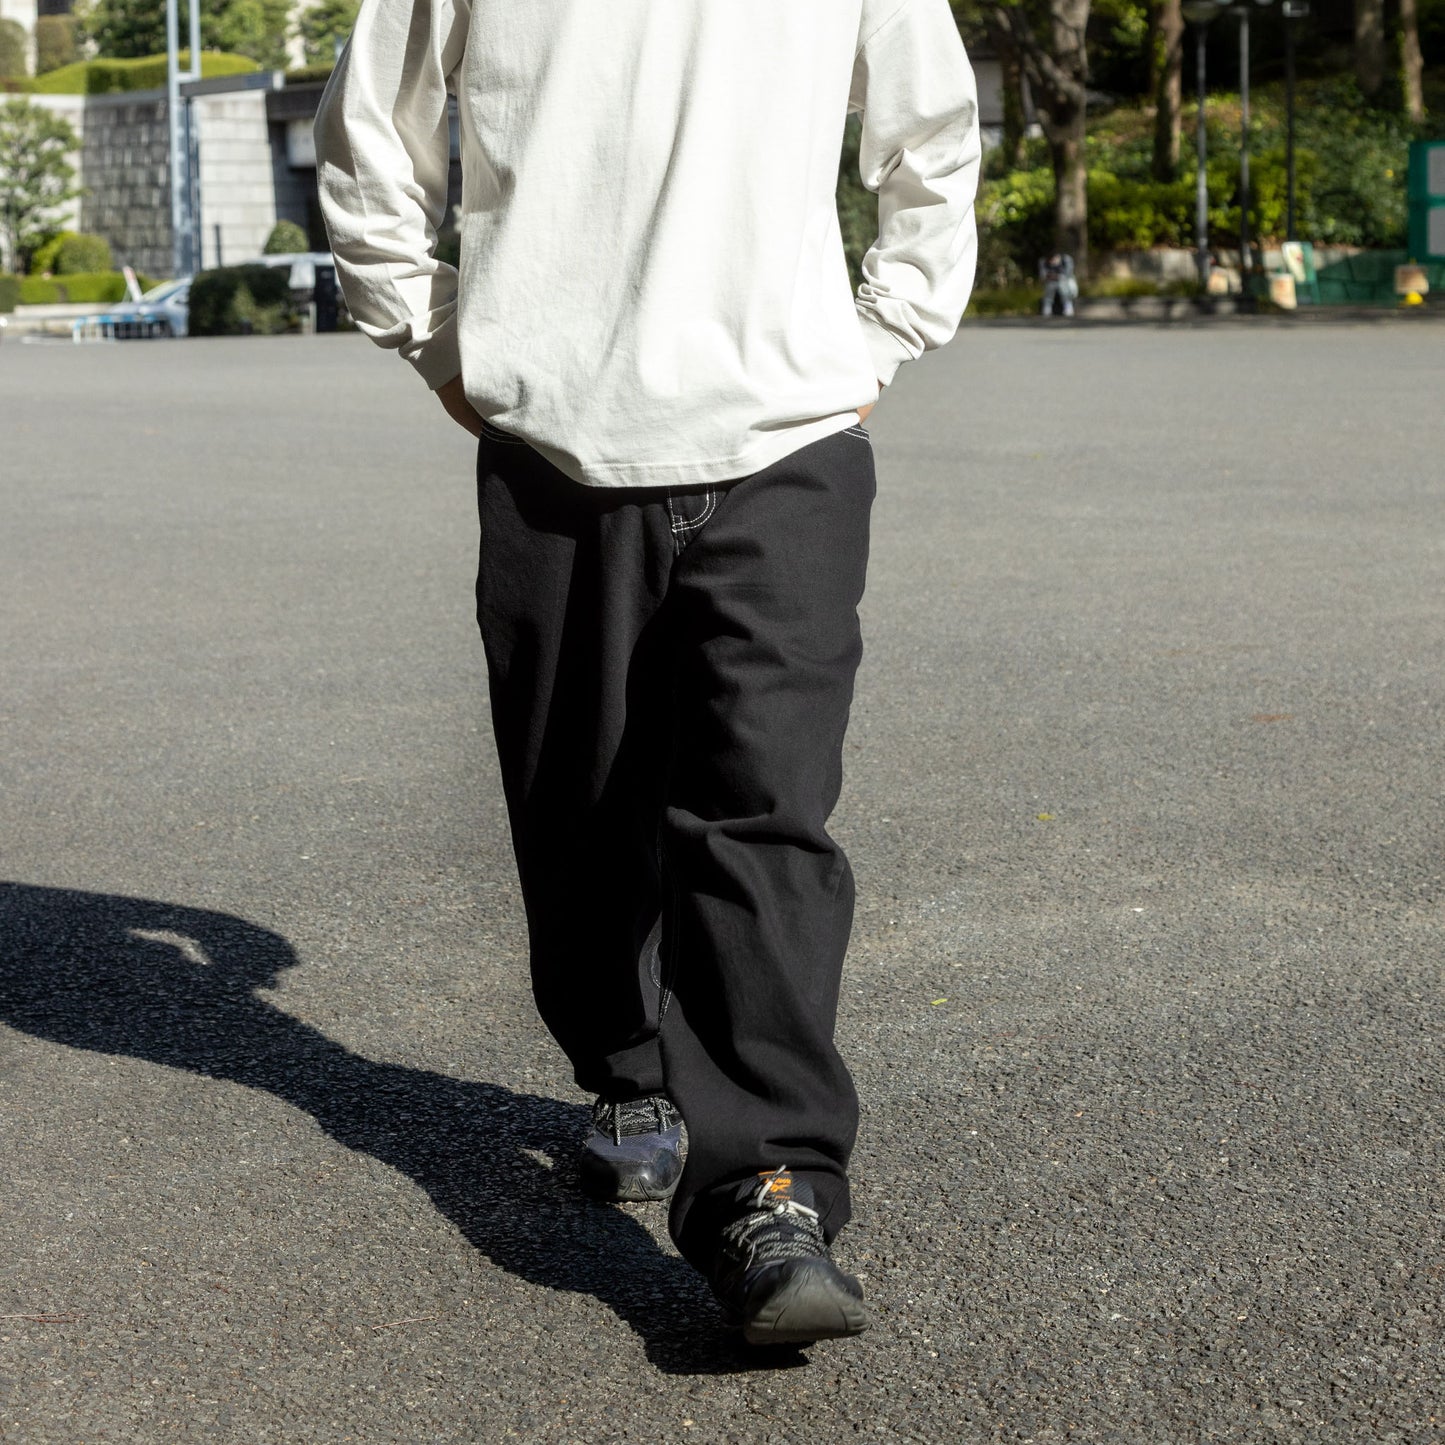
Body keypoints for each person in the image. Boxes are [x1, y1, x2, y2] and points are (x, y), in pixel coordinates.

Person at [313, 0, 980, 1346]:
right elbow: (370, 128)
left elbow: (931, 134)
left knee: (762, 811)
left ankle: (766, 1188)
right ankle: (627, 1066)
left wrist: (884, 332)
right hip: (556, 444)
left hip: (786, 434)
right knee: (579, 804)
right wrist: (437, 338)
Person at [1039, 251, 1077, 317]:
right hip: (1050, 282)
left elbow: (1068, 274)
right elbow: (1043, 275)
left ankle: (1068, 307)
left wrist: (1058, 276)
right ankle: (1047, 308)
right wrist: (1050, 276)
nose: (1052, 261)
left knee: (1064, 290)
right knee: (1049, 290)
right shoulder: (1044, 261)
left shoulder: (1066, 260)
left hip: (1065, 282)